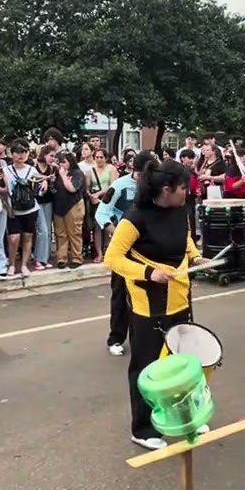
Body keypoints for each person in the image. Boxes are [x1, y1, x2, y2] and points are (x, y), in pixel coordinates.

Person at [103, 158, 209, 450]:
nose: (186, 192)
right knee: (147, 366)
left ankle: (187, 417)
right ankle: (143, 428)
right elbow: (113, 258)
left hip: (180, 298)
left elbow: (185, 240)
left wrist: (196, 257)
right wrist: (149, 272)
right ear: (166, 189)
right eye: (182, 188)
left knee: (182, 362)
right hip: (148, 305)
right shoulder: (135, 217)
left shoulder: (180, 210)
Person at [96, 152, 147, 357]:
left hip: (145, 249)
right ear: (135, 170)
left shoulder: (153, 188)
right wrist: (116, 233)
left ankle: (142, 338)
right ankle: (116, 338)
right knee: (120, 295)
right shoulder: (119, 186)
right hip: (123, 250)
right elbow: (102, 212)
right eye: (143, 174)